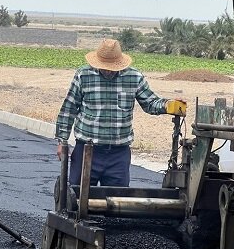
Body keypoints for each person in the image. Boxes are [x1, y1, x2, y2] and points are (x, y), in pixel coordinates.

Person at [55, 38, 186, 188]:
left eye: (111, 66)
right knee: (76, 198)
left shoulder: (134, 77)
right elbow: (69, 108)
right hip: (86, 149)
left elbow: (150, 103)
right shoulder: (83, 75)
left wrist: (168, 105)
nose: (107, 69)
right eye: (103, 66)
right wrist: (62, 141)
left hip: (118, 154)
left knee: (117, 201)